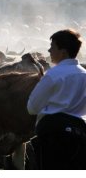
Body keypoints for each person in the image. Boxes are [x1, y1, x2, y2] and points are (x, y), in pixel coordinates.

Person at [27, 29, 86, 169]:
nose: (49, 50)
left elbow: (32, 107)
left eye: (52, 46)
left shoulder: (53, 74)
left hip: (53, 134)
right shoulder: (84, 75)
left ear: (63, 52)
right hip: (80, 134)